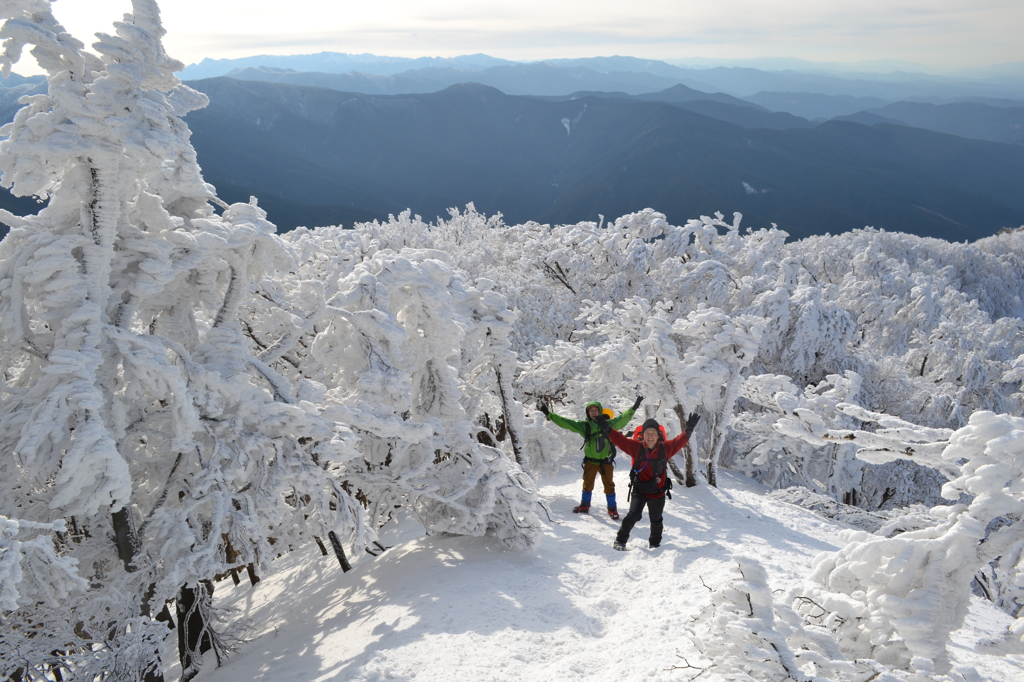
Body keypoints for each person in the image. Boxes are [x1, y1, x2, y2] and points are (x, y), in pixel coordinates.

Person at [604, 414, 700, 550]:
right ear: (642, 435)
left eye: (653, 433)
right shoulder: (636, 447)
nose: (650, 436)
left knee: (656, 520)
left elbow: (679, 441)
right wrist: (606, 428)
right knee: (633, 516)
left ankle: (655, 544)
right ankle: (620, 541)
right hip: (639, 491)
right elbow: (620, 440)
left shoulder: (665, 448)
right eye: (647, 433)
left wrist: (688, 430)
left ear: (658, 435)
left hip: (658, 492)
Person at [538, 397, 643, 519]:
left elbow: (623, 418)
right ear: (588, 413)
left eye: (595, 410)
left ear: (600, 411)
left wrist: (634, 407)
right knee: (587, 484)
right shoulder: (584, 426)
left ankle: (612, 509)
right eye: (591, 410)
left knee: (609, 485)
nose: (593, 412)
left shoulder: (610, 425)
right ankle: (585, 506)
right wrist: (549, 414)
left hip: (606, 461)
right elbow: (566, 423)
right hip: (590, 461)